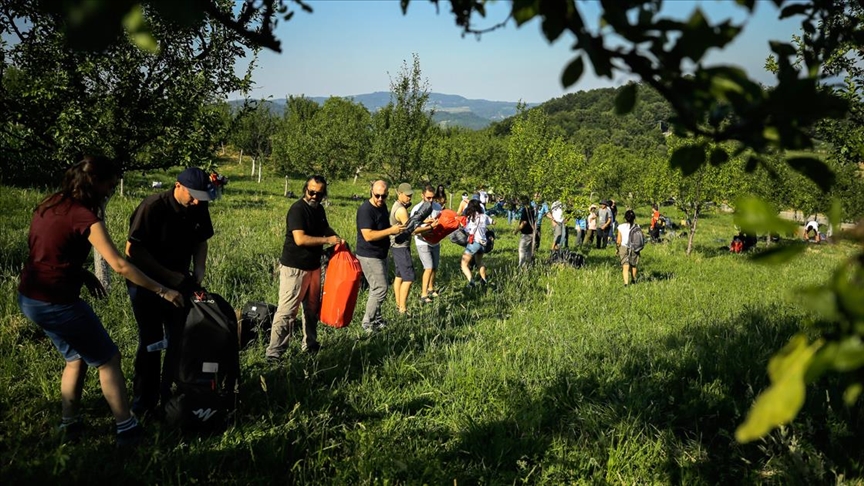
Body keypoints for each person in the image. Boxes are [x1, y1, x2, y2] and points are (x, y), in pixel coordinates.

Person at [17, 155, 183, 446]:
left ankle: (70, 424)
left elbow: (46, 250)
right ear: (94, 182)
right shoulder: (83, 215)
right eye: (110, 184)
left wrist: (81, 273)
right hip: (58, 302)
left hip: (31, 297)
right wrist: (163, 290)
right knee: (108, 360)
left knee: (75, 358)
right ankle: (127, 429)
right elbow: (119, 264)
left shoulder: (50, 203)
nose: (110, 191)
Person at [125, 167, 216, 418]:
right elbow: (133, 251)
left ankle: (172, 396)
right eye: (193, 195)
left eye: (202, 197)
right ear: (178, 186)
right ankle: (143, 404)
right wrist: (167, 279)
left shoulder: (199, 205)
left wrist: (199, 268)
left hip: (180, 280)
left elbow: (201, 240)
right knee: (152, 343)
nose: (197, 201)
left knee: (181, 339)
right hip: (146, 282)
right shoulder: (152, 207)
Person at [266, 175, 343, 362]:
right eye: (312, 192)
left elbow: (325, 228)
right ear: (305, 190)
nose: (315, 196)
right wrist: (327, 241)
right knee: (287, 311)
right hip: (295, 267)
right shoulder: (297, 210)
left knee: (311, 309)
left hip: (314, 266)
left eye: (320, 193)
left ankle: (310, 344)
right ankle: (274, 352)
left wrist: (338, 239)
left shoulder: (319, 209)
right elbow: (300, 239)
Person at [356, 180, 404, 332]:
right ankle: (367, 323)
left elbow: (383, 228)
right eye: (377, 196)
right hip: (369, 254)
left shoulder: (382, 207)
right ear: (371, 192)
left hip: (381, 253)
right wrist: (391, 231)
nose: (380, 199)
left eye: (384, 196)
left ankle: (376, 319)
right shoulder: (365, 210)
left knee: (376, 288)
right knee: (381, 288)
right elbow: (368, 235)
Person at [390, 183, 420, 315]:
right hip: (401, 247)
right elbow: (411, 230)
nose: (409, 197)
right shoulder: (401, 210)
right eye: (407, 195)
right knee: (409, 277)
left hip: (396, 246)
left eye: (410, 195)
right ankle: (402, 308)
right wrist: (429, 228)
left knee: (399, 275)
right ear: (399, 193)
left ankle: (398, 304)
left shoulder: (397, 206)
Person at [412, 185, 442, 304]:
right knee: (428, 267)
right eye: (428, 197)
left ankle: (431, 288)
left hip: (435, 241)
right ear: (422, 195)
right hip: (422, 241)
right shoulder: (417, 208)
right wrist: (427, 226)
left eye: (432, 198)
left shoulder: (437, 207)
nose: (430, 200)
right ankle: (423, 294)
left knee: (434, 267)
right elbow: (413, 229)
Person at [460, 199, 490, 287]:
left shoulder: (471, 217)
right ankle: (484, 280)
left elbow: (468, 229)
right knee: (479, 262)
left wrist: (462, 227)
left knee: (464, 264)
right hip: (483, 243)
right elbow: (493, 222)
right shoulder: (484, 216)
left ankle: (471, 281)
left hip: (474, 243)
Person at [616, 209, 639, 286]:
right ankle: (633, 280)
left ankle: (626, 283)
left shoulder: (620, 227)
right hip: (634, 247)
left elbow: (619, 240)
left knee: (625, 265)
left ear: (625, 218)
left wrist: (617, 249)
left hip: (623, 247)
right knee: (633, 264)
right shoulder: (637, 226)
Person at [515, 195, 536, 266]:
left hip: (526, 233)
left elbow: (524, 222)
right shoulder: (532, 209)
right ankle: (529, 264)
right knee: (529, 251)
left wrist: (516, 230)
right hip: (532, 233)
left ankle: (522, 265)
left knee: (522, 250)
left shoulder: (525, 210)